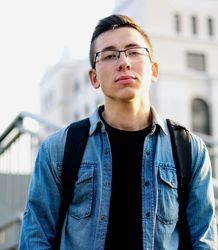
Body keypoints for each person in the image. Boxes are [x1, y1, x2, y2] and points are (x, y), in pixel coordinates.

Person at [19, 14, 217, 249]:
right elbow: (36, 239)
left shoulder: (189, 150)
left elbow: (204, 241)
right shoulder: (59, 149)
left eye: (134, 51)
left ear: (154, 70)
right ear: (94, 78)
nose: (124, 62)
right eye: (110, 55)